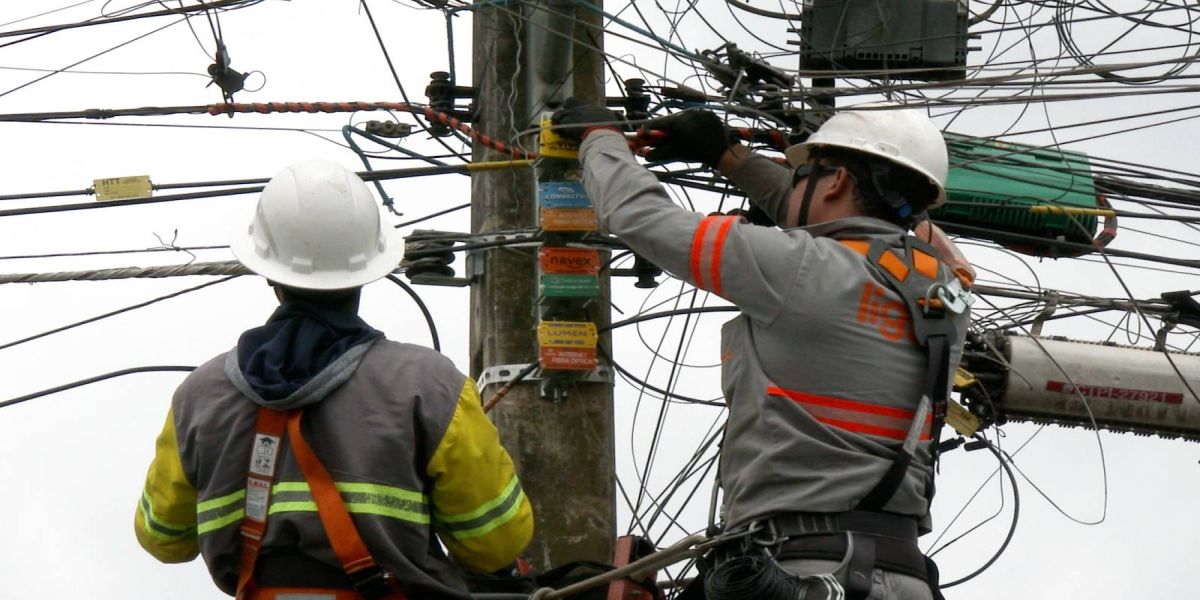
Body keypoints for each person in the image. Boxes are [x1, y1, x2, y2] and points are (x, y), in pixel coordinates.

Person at [551, 102, 972, 600]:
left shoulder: (798, 268)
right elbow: (866, 223)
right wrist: (730, 158)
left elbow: (638, 216)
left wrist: (599, 136)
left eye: (800, 177)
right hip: (902, 575)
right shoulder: (946, 292)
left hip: (804, 569)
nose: (790, 186)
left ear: (834, 182)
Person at [134, 159, 533, 599]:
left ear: (268, 272)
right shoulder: (429, 388)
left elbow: (164, 538)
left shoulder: (198, 397)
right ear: (371, 269)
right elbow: (495, 544)